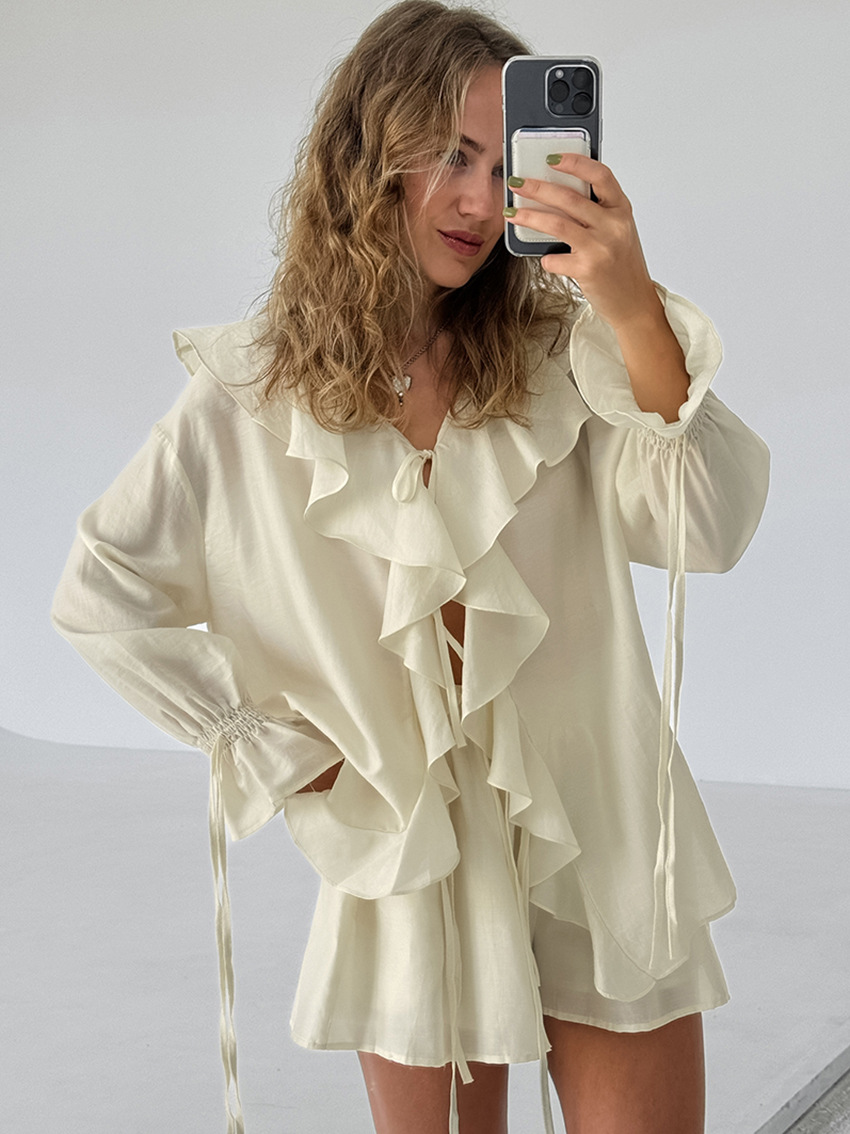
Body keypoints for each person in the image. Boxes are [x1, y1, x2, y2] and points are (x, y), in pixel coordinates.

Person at [51, 2, 770, 1132]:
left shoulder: (565, 354)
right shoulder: (254, 392)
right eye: (452, 156)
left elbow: (708, 530)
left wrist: (631, 307)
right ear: (368, 151)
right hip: (415, 861)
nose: (481, 202)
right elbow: (100, 594)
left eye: (505, 165)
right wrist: (282, 751)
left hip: (602, 831)